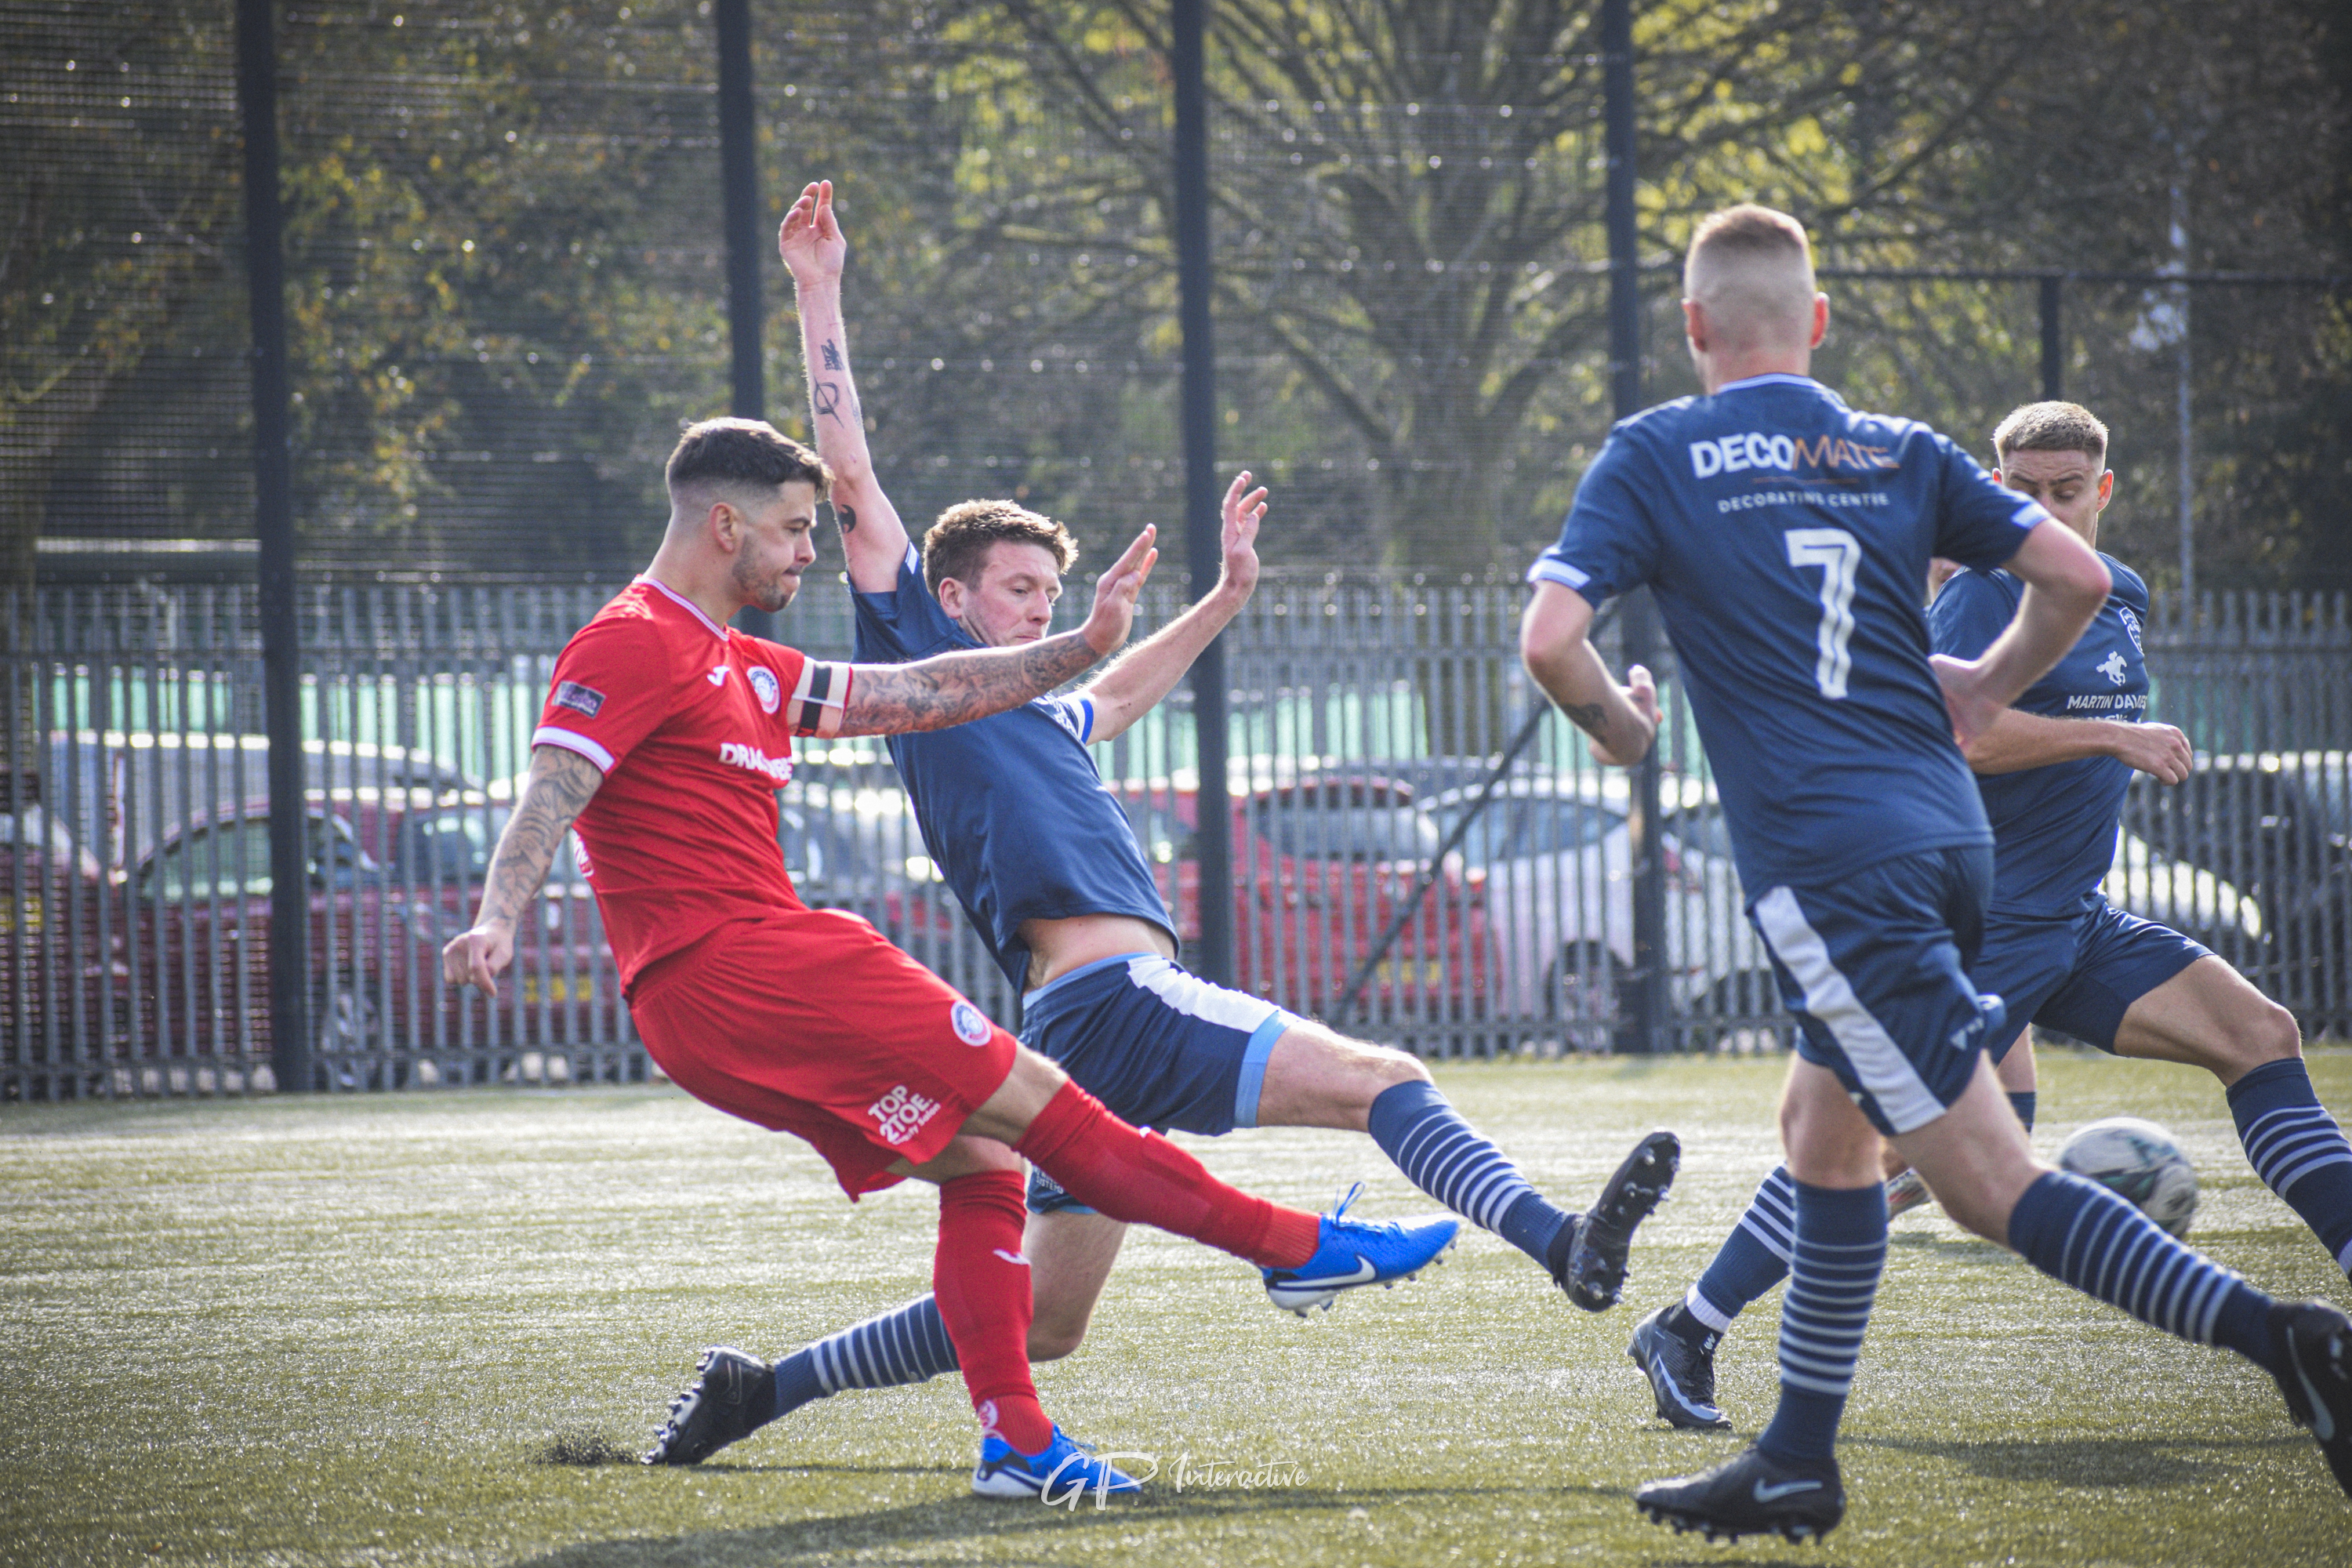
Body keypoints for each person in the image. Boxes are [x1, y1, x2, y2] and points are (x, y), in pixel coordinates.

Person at [635, 177, 1680, 1471]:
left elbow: (1118, 682)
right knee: (1387, 1082)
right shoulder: (916, 648)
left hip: (1078, 1028)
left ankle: (763, 1391)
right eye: (1019, 590)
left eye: (1051, 593)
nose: (1040, 610)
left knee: (1046, 1321)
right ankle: (1558, 1240)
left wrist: (1226, 597)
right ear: (943, 594)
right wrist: (819, 289)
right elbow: (844, 469)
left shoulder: (1048, 713)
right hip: (1120, 998)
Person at [1516, 203, 2352, 1544]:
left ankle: (2284, 1336)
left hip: (1840, 865)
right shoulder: (1896, 449)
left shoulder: (1658, 451)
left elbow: (1552, 639)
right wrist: (1983, 690)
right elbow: (2071, 576)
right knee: (1828, 1139)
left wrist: (1623, 730)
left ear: (1691, 327)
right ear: (1823, 325)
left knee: (1979, 1179)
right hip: (1953, 851)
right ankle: (1792, 1455)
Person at [441, 416, 1457, 1504]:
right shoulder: (632, 635)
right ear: (723, 523)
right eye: (791, 529)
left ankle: (1019, 1449)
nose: (807, 551)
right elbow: (557, 778)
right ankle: (1296, 1246)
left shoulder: (744, 662)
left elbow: (924, 693)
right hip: (751, 964)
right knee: (1052, 1110)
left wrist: (1080, 648)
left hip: (702, 1015)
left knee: (984, 1166)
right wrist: (501, 912)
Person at [1626, 401, 2352, 1436]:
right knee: (1869, 1151)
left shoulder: (2119, 596)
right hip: (1985, 924)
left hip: (2076, 921)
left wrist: (2109, 741)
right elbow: (1961, 737)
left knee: (2262, 1039)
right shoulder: (1981, 596)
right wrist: (2116, 739)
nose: (2043, 509)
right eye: (2020, 491)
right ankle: (1691, 1326)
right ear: (1994, 485)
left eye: (2065, 491)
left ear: (2102, 491)